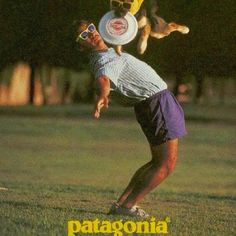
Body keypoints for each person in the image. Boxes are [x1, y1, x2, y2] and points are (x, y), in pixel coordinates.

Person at [75, 20, 186, 218]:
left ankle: (122, 204)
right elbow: (104, 79)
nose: (91, 34)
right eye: (84, 35)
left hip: (154, 103)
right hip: (156, 104)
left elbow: (124, 27)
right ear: (80, 46)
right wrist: (102, 96)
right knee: (167, 164)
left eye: (90, 28)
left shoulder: (108, 52)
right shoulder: (103, 61)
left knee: (156, 162)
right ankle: (127, 207)